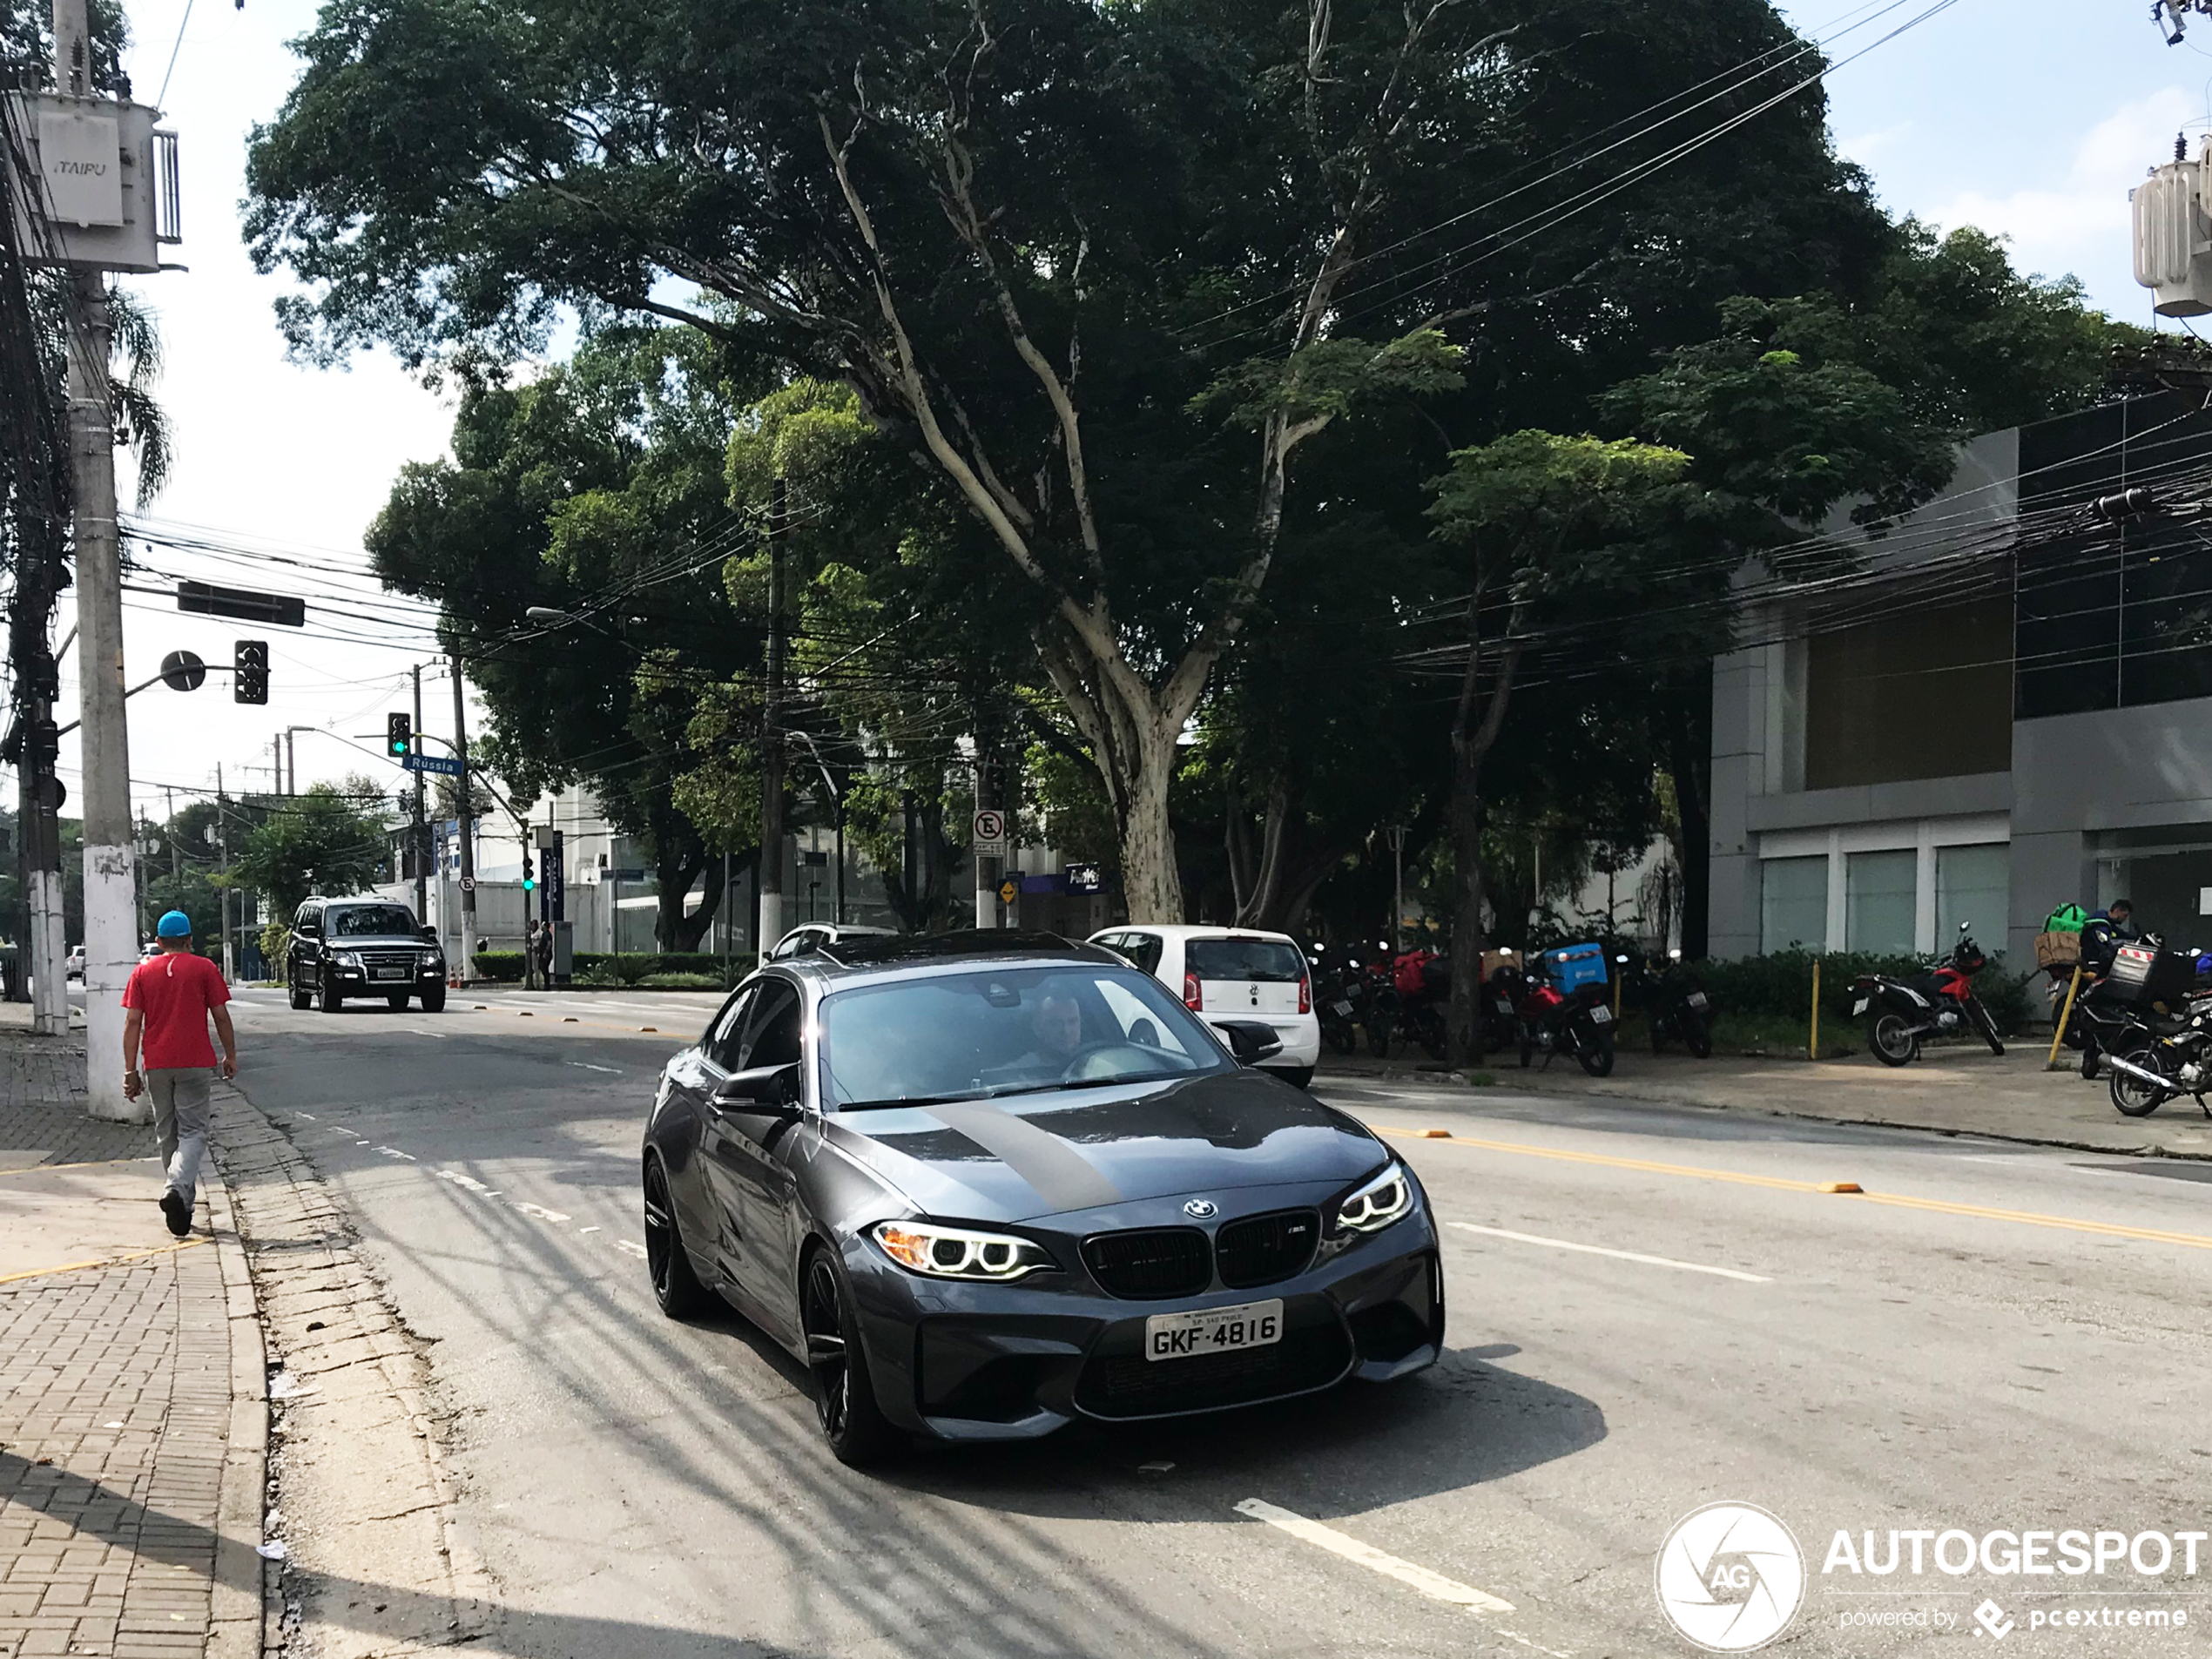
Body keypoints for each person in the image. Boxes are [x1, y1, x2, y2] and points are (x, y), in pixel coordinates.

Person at [122, 911, 237, 1238]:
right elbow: (221, 1016)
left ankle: (183, 1208)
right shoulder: (204, 968)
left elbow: (132, 1023)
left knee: (167, 1133)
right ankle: (176, 1188)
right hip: (195, 1062)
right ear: (189, 940)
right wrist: (230, 1054)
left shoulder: (142, 972)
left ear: (159, 943)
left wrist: (130, 1070)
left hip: (156, 1063)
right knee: (194, 1132)